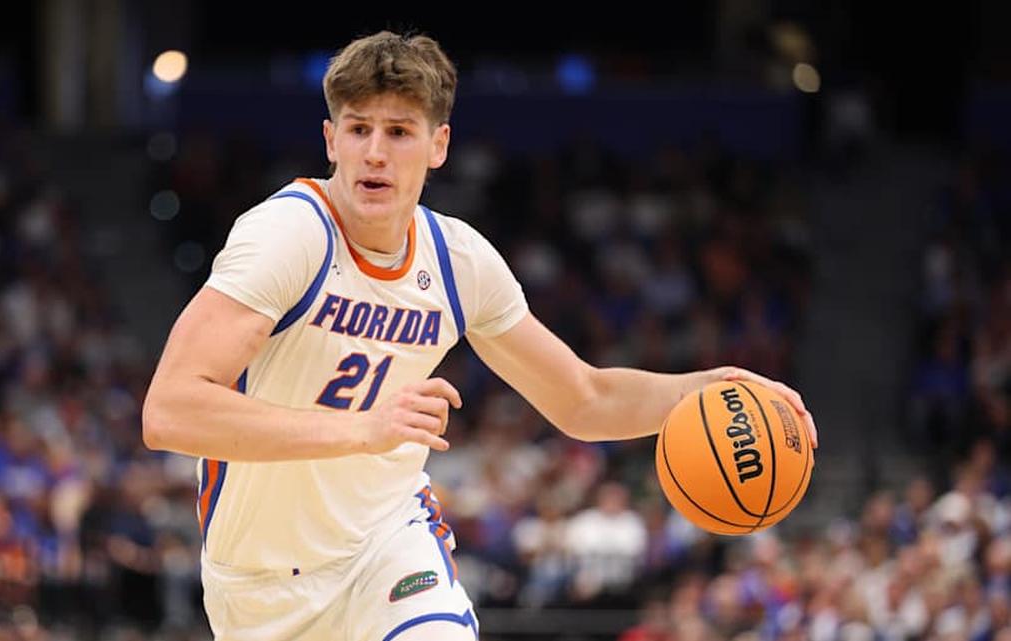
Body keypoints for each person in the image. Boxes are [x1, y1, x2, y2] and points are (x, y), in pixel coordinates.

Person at [141, 30, 818, 641]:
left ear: (438, 144)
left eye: (399, 131)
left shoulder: (458, 261)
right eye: (358, 129)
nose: (374, 152)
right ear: (330, 139)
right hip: (259, 583)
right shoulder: (289, 235)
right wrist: (361, 429)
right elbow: (170, 410)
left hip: (387, 545)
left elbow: (582, 398)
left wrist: (706, 388)